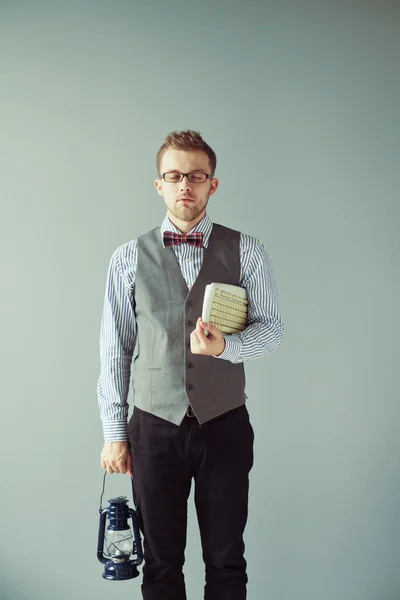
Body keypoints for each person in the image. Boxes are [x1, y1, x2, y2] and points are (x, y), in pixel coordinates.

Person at [97, 129, 285, 599]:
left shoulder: (248, 251)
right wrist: (115, 433)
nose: (186, 185)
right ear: (158, 184)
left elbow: (272, 330)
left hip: (224, 425)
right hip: (153, 428)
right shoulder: (126, 258)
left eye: (196, 176)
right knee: (161, 564)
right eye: (174, 175)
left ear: (212, 185)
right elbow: (115, 350)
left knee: (226, 559)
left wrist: (226, 348)